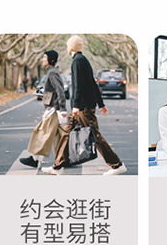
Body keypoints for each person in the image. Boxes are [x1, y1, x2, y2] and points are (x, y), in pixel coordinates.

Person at [42, 36, 126, 175]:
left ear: (71, 47)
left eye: (68, 46)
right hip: (81, 106)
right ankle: (58, 166)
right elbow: (92, 83)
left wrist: (76, 105)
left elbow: (78, 85)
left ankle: (117, 164)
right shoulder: (83, 60)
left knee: (95, 135)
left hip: (83, 108)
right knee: (66, 134)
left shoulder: (77, 61)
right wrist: (101, 104)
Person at [19, 48, 66, 170]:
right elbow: (54, 91)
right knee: (58, 136)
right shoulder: (51, 72)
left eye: (45, 57)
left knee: (41, 133)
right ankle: (63, 159)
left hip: (53, 110)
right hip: (53, 109)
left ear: (51, 60)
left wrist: (62, 109)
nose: (43, 59)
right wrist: (43, 95)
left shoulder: (52, 73)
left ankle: (34, 159)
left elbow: (60, 91)